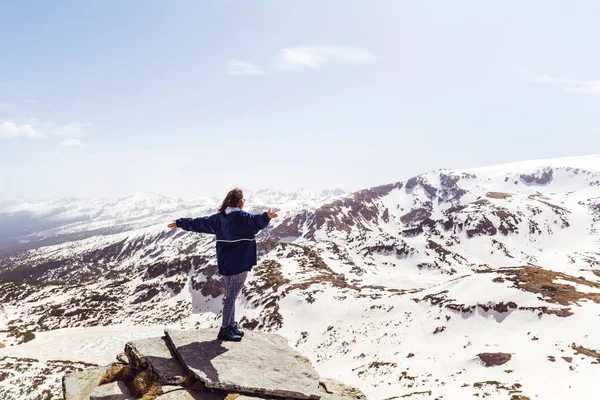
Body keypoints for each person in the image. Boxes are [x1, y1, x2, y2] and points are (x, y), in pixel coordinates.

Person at [167, 188, 278, 341]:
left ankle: (231, 324)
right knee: (232, 295)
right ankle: (225, 328)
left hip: (225, 263)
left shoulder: (219, 218)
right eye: (243, 199)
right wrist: (267, 216)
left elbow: (199, 223)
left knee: (231, 293)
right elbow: (256, 221)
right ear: (239, 202)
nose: (244, 201)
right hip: (240, 262)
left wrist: (180, 223)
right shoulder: (243, 217)